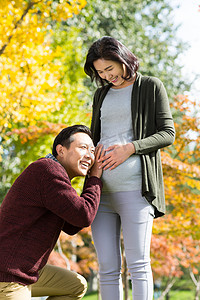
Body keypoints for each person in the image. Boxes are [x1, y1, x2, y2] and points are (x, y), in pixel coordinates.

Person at [84, 36, 175, 300]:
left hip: (135, 187)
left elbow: (168, 133)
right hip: (100, 190)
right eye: (100, 72)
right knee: (107, 268)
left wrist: (130, 147)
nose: (106, 76)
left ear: (123, 59)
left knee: (138, 265)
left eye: (109, 69)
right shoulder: (101, 94)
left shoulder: (151, 86)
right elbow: (96, 134)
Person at [0, 124, 104, 300]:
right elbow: (84, 215)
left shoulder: (52, 175)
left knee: (76, 285)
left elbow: (72, 225)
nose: (90, 156)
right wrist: (94, 178)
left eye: (93, 151)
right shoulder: (48, 170)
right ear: (61, 150)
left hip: (24, 272)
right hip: (8, 277)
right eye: (83, 147)